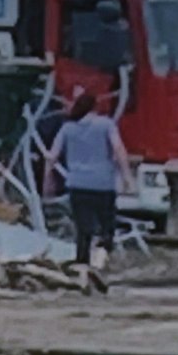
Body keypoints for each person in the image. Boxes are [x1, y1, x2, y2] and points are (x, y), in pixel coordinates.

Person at [43, 91, 135, 269]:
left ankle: (82, 264)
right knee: (107, 227)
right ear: (95, 107)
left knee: (83, 229)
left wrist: (48, 180)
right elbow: (118, 150)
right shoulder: (106, 125)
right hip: (103, 184)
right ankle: (100, 259)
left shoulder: (68, 128)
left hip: (77, 184)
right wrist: (127, 178)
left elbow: (52, 156)